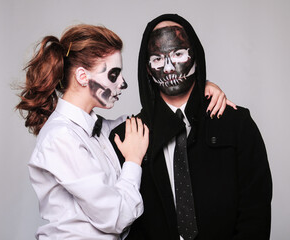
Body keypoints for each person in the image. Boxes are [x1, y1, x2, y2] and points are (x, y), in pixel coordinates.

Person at [16, 24, 233, 239]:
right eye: (113, 74)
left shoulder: (99, 129)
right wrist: (133, 161)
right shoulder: (60, 138)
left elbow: (153, 120)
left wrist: (200, 86)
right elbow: (116, 217)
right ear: (83, 77)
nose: (123, 83)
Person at [110, 14, 272, 240]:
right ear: (147, 68)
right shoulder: (126, 137)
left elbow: (256, 212)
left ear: (194, 55)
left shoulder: (237, 124)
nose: (168, 68)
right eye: (157, 58)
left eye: (178, 54)